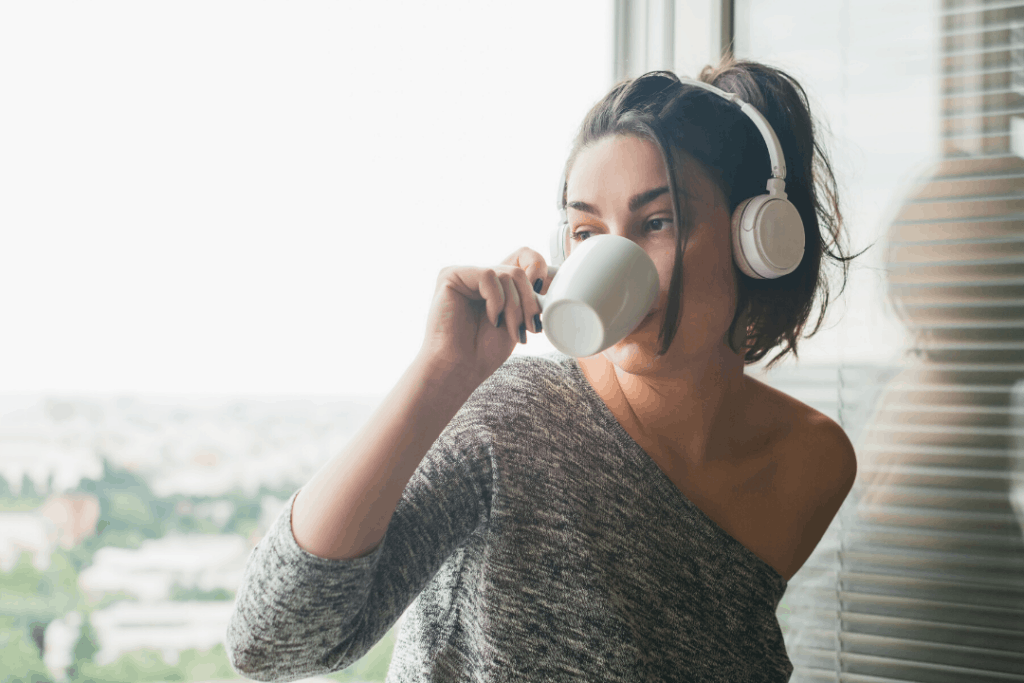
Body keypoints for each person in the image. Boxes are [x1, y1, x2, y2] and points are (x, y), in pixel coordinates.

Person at [226, 54, 866, 682]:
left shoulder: (812, 461)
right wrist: (442, 372)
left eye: (657, 221)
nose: (614, 257)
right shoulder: (516, 419)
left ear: (758, 240)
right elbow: (273, 644)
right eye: (588, 234)